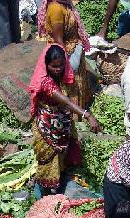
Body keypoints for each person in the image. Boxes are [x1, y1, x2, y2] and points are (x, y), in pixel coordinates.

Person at [29, 44, 100, 195]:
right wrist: (88, 115)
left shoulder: (61, 76)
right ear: (46, 65)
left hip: (61, 121)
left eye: (61, 65)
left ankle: (59, 185)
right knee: (48, 159)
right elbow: (66, 102)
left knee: (63, 156)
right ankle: (44, 194)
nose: (58, 69)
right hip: (47, 126)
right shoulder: (45, 82)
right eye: (53, 66)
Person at [37, 0, 91, 108]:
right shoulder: (56, 9)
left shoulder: (65, 4)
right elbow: (59, 40)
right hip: (65, 54)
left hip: (73, 49)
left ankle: (79, 114)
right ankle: (72, 116)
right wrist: (66, 65)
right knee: (69, 88)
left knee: (77, 86)